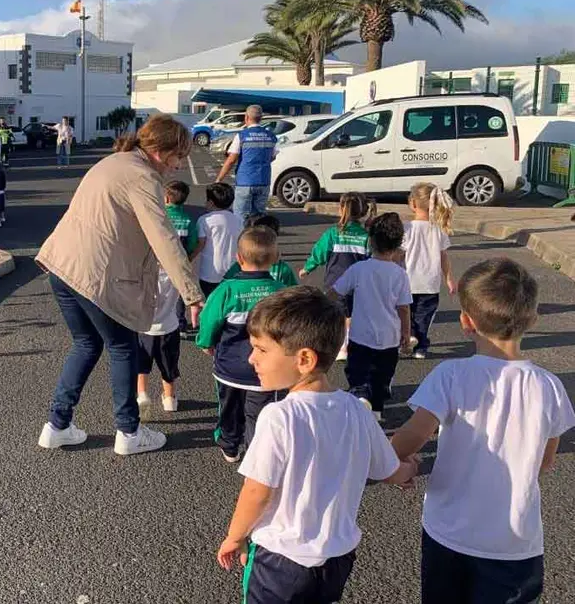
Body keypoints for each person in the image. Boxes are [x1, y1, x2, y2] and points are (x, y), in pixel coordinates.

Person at [391, 258, 575, 604]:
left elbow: (413, 436)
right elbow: (546, 461)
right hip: (515, 542)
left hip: (448, 532)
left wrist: (397, 464)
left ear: (466, 322)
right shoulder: (549, 387)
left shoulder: (449, 376)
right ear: (533, 320)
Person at [217, 287, 417, 602]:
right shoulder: (355, 409)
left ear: (305, 359)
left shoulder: (279, 416)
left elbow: (257, 491)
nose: (251, 358)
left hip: (280, 559)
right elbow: (387, 468)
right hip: (337, 559)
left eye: (260, 349)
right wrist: (408, 470)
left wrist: (234, 537)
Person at [36, 114, 206, 456]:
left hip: (62, 265)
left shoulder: (114, 161)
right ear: (161, 150)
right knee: (124, 346)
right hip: (96, 276)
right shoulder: (143, 177)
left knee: (85, 344)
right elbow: (164, 238)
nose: (179, 165)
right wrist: (192, 294)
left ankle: (57, 425)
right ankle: (128, 432)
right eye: (179, 156)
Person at [196, 226, 286, 463]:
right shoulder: (280, 293)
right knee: (261, 413)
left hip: (229, 366)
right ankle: (257, 453)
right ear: (275, 258)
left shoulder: (226, 290)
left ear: (238, 258)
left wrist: (206, 343)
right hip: (266, 370)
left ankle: (230, 445)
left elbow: (208, 321)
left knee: (229, 407)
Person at [332, 212, 413, 421]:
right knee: (381, 377)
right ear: (398, 245)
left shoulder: (359, 269)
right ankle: (375, 410)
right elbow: (403, 308)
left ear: (370, 241)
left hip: (360, 335)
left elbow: (336, 292)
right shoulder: (399, 274)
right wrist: (406, 333)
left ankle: (360, 396)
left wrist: (318, 303)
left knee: (358, 372)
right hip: (389, 337)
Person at [300, 192, 374, 360]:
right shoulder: (366, 237)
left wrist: (307, 268)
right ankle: (350, 343)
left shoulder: (333, 233)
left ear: (341, 209)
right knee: (352, 315)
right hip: (359, 284)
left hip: (335, 283)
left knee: (338, 314)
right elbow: (372, 259)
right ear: (363, 212)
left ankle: (341, 346)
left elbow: (319, 253)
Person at [400, 182, 456, 359]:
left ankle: (407, 338)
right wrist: (449, 278)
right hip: (430, 283)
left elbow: (399, 255)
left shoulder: (406, 228)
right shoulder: (438, 229)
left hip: (407, 281)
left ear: (413, 204)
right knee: (424, 316)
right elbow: (443, 257)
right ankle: (421, 347)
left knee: (404, 313)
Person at [137, 266, 183, 417]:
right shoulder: (174, 273)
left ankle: (142, 394)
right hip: (169, 327)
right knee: (168, 366)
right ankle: (170, 398)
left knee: (142, 366)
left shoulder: (143, 273)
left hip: (145, 327)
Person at [216, 104, 277, 218]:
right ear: (261, 118)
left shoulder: (242, 136)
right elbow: (272, 157)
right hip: (264, 180)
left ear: (246, 117)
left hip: (245, 181)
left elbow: (231, 160)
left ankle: (242, 235)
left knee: (240, 217)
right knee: (259, 216)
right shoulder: (270, 136)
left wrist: (219, 179)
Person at [194, 182, 242, 297]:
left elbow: (200, 244)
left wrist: (189, 258)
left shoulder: (204, 220)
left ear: (210, 203)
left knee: (210, 302)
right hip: (233, 270)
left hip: (209, 272)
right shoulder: (238, 220)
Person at [224, 214, 298, 287]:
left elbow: (223, 285)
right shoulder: (283, 269)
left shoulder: (237, 269)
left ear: (239, 257)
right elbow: (294, 294)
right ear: (277, 256)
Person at [164, 180, 199, 332]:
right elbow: (192, 242)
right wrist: (189, 257)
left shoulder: (161, 217)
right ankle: (180, 323)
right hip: (181, 262)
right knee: (179, 293)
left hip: (160, 261)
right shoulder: (189, 220)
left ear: (166, 198)